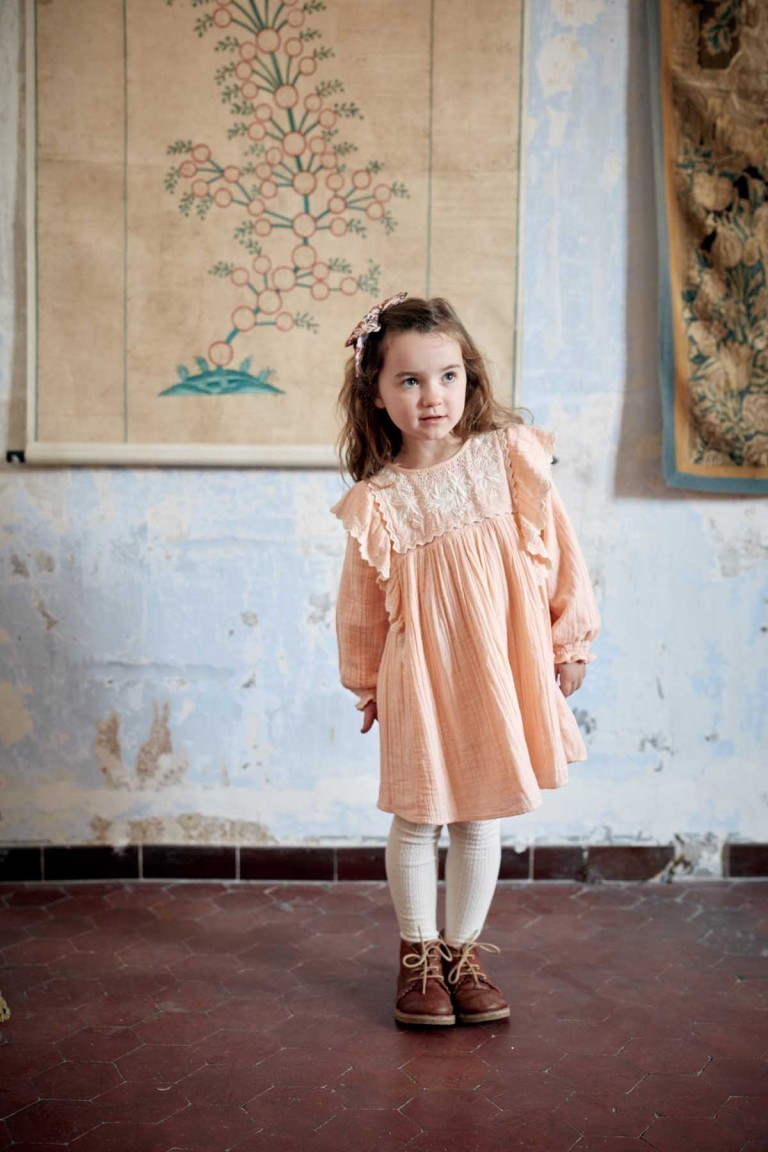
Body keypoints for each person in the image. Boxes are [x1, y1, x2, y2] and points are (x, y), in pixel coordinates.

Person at [332, 293, 600, 1027]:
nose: (432, 397)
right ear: (376, 393)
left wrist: (570, 639)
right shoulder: (378, 500)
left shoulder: (506, 457)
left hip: (500, 665)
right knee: (420, 813)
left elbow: (560, 552)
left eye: (447, 376)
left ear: (469, 378)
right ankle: (418, 957)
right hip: (418, 674)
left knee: (481, 812)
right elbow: (360, 606)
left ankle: (463, 953)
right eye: (410, 381)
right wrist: (366, 683)